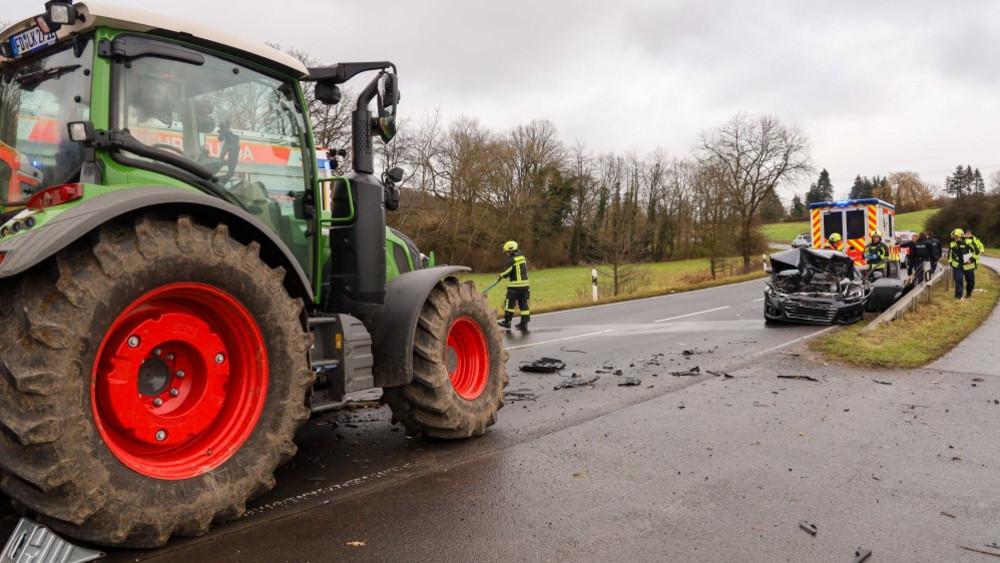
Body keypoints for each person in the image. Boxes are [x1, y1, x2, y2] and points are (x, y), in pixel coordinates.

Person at [496, 240, 530, 330]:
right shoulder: (522, 258)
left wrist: (500, 276)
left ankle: (507, 322)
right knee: (523, 304)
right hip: (525, 285)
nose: (506, 254)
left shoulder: (511, 260)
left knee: (509, 304)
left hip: (515, 286)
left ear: (511, 251)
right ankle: (524, 323)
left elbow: (506, 272)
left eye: (507, 252)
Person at [948, 228, 977, 299]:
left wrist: (971, 259)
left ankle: (968, 294)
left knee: (971, 281)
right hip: (957, 266)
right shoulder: (952, 245)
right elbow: (949, 256)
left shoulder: (969, 243)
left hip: (968, 266)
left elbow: (976, 252)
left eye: (957, 237)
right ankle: (958, 297)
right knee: (959, 280)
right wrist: (951, 263)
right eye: (954, 238)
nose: (955, 239)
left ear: (961, 236)